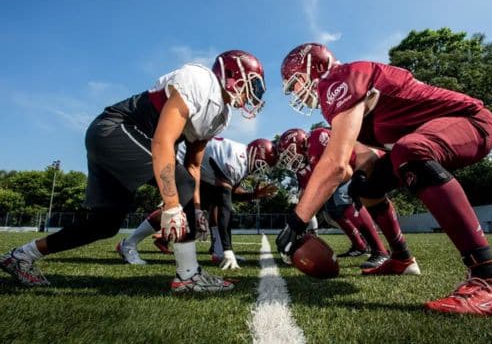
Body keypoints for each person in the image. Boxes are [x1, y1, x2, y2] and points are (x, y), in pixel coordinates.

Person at [276, 43, 492, 315]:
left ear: (315, 69)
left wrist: (296, 222)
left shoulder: (338, 79)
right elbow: (363, 159)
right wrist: (360, 179)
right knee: (367, 185)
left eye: (295, 83)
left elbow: (335, 164)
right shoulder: (343, 95)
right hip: (427, 136)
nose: (295, 93)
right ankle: (402, 258)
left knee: (410, 151)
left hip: (470, 121)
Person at [0, 50, 266, 293]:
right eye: (254, 84)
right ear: (232, 74)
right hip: (115, 129)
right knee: (180, 185)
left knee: (104, 224)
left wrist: (195, 208)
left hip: (120, 140)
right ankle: (187, 276)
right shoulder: (200, 80)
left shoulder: (221, 116)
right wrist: (173, 205)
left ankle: (22, 255)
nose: (255, 93)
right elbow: (162, 141)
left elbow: (193, 165)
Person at [117, 137, 278, 269]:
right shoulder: (236, 160)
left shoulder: (241, 158)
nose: (260, 171)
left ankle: (218, 251)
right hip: (174, 158)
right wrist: (229, 249)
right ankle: (128, 244)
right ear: (255, 155)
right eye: (261, 165)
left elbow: (229, 194)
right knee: (180, 206)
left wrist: (254, 195)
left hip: (193, 167)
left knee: (213, 200)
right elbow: (226, 205)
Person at [277, 127, 389, 268]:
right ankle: (359, 246)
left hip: (366, 166)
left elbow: (344, 172)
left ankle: (380, 251)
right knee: (332, 209)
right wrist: (295, 224)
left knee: (342, 196)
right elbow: (307, 195)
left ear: (302, 142)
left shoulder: (317, 138)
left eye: (290, 153)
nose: (290, 159)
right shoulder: (302, 168)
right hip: (347, 176)